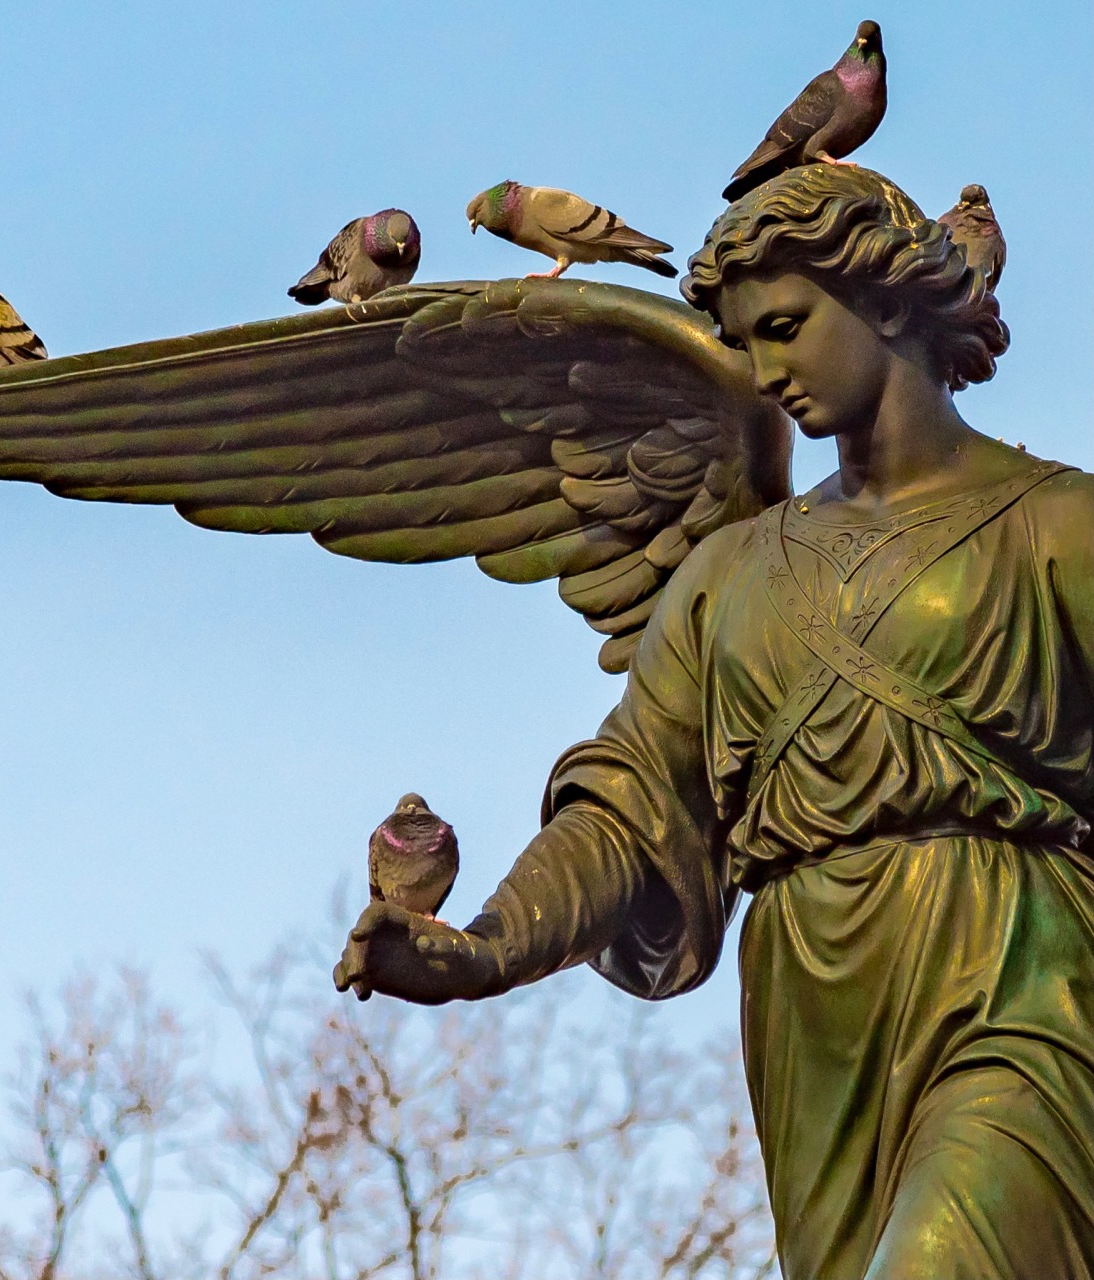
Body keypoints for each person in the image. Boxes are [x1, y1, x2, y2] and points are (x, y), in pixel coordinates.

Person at [335, 164, 1094, 1278]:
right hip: (810, 1010)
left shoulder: (1058, 527)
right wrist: (484, 946)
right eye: (745, 342)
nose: (764, 370)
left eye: (784, 328)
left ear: (885, 300)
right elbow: (633, 807)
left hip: (1020, 970)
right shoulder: (725, 575)